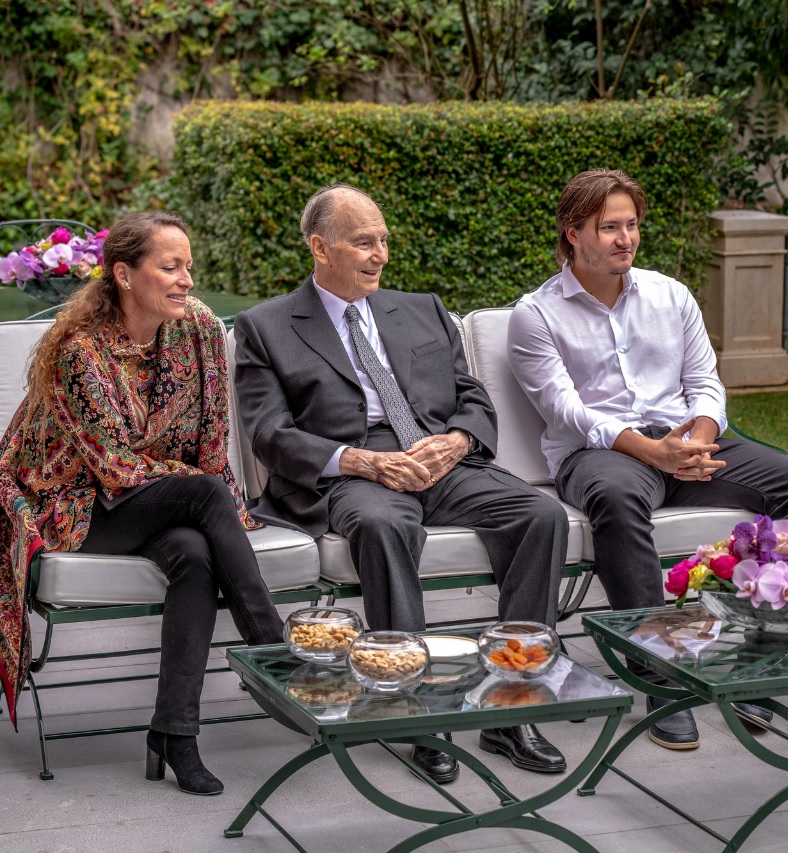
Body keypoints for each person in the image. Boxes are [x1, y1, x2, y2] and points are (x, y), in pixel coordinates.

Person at [234, 184, 570, 782]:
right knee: (382, 523)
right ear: (320, 248)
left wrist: (458, 441)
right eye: (364, 243)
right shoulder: (267, 326)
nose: (381, 255)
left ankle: (512, 702)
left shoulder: (422, 308)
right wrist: (362, 462)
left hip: (438, 457)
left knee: (539, 515)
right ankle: (417, 711)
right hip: (352, 471)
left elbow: (471, 397)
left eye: (384, 240)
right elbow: (269, 434)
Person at [508, 169, 788, 750]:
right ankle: (660, 677)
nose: (625, 238)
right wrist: (652, 451)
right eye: (609, 227)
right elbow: (566, 410)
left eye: (631, 225)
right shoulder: (536, 314)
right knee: (616, 497)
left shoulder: (670, 295)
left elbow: (705, 382)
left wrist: (697, 442)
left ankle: (761, 655)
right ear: (573, 233)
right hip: (601, 453)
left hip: (687, 441)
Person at [0, 212, 285, 796]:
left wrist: (211, 507)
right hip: (68, 500)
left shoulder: (199, 327)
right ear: (125, 275)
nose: (187, 280)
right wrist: (203, 493)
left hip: (150, 497)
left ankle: (174, 733)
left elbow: (211, 443)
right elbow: (114, 467)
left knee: (194, 553)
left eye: (188, 266)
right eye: (170, 267)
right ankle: (276, 653)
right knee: (203, 495)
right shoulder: (80, 351)